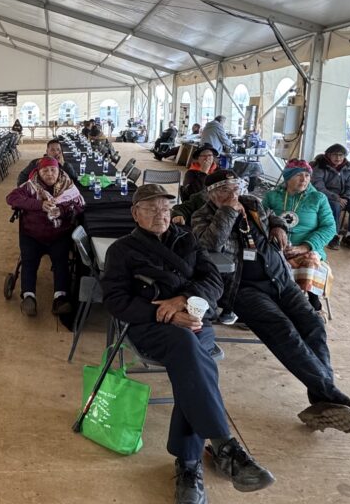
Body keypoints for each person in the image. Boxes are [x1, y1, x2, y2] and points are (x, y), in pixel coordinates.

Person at [101, 184, 275, 503]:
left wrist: (183, 300)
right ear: (135, 214)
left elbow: (212, 281)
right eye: (152, 209)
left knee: (191, 370)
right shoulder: (121, 250)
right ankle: (222, 447)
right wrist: (166, 315)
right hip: (149, 325)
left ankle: (190, 465)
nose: (160, 215)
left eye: (166, 209)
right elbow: (115, 301)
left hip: (194, 317)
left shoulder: (186, 239)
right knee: (189, 353)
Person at [193, 170, 350, 433]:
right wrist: (227, 211)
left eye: (236, 188)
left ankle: (322, 403)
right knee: (283, 330)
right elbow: (210, 244)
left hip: (280, 279)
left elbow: (273, 215)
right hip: (242, 288)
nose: (234, 194)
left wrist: (278, 225)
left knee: (314, 326)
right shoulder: (202, 215)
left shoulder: (252, 203)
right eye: (225, 190)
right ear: (212, 194)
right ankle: (339, 400)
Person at [5, 157, 85, 316]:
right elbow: (11, 198)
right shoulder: (29, 186)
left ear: (59, 171)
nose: (50, 174)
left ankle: (59, 298)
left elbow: (79, 204)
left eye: (53, 170)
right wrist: (39, 205)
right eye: (45, 170)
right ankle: (29, 296)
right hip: (32, 234)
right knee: (29, 262)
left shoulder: (68, 185)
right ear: (38, 172)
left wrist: (62, 210)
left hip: (59, 234)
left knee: (61, 262)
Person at [262, 160, 337, 310]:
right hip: (275, 246)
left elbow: (329, 227)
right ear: (288, 177)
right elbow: (260, 219)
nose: (304, 180)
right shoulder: (272, 196)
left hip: (307, 249)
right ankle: (268, 302)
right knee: (258, 259)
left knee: (310, 259)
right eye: (299, 175)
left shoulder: (318, 198)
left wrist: (304, 247)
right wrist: (272, 232)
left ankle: (312, 302)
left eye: (307, 175)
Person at [311, 144, 350, 251]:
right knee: (335, 206)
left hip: (344, 197)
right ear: (328, 155)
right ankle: (332, 235)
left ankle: (349, 236)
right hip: (326, 196)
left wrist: (347, 198)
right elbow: (318, 186)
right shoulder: (320, 167)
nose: (338, 158)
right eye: (335, 155)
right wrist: (336, 197)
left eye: (341, 155)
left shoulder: (347, 168)